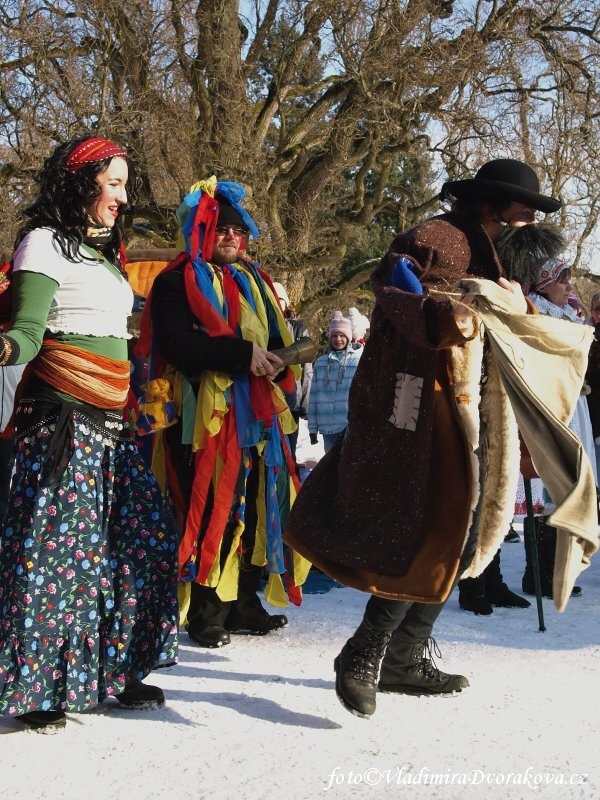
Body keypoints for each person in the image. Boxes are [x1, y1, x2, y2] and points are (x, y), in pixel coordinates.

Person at [285, 159, 595, 719]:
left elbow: (507, 315)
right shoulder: (435, 237)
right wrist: (454, 311)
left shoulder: (500, 249)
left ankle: (404, 658)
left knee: (462, 533)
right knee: (429, 527)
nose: (530, 217)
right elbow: (397, 294)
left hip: (478, 410)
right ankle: (364, 652)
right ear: (493, 202)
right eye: (524, 207)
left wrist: (512, 306)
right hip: (423, 406)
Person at [0, 135, 179, 732]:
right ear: (82, 183)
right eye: (115, 184)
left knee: (138, 547)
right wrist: (4, 347)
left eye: (124, 184)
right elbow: (27, 331)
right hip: (63, 428)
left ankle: (114, 668)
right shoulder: (43, 245)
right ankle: (37, 690)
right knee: (55, 559)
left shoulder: (106, 254)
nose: (122, 198)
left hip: (113, 428)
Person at [140, 177, 310, 650]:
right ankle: (205, 611)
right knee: (213, 503)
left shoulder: (255, 280)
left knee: (258, 502)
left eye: (239, 231)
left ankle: (244, 601)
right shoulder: (176, 280)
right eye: (220, 231)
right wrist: (241, 357)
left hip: (258, 413)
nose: (232, 238)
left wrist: (282, 358)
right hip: (203, 419)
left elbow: (275, 340)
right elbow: (176, 344)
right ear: (199, 232)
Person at [308, 311, 362, 453]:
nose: (338, 339)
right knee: (331, 468)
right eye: (335, 336)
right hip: (328, 428)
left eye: (342, 335)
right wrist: (312, 428)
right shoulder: (320, 364)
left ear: (349, 338)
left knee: (347, 467)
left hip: (349, 426)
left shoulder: (357, 362)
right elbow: (313, 398)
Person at [272, 281, 313, 465]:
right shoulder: (265, 324)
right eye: (275, 299)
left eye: (281, 299)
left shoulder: (298, 329)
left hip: (291, 397)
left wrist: (305, 403)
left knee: (289, 447)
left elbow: (307, 369)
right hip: (269, 396)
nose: (278, 303)